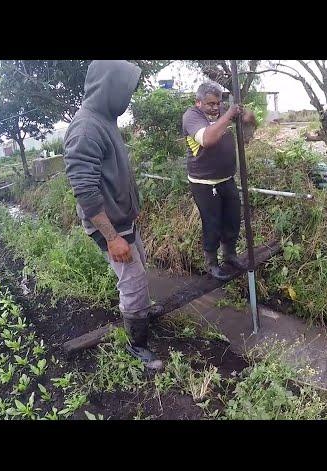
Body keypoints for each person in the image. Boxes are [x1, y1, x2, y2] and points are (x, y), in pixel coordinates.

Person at [63, 60, 164, 370]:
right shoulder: (85, 128)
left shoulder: (104, 119)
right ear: (108, 88)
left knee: (140, 270)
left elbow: (111, 174)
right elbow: (86, 193)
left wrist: (132, 207)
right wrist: (112, 238)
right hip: (109, 227)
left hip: (122, 219)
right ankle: (138, 345)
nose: (128, 98)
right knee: (132, 281)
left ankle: (141, 313)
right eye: (125, 90)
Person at [181, 81, 256, 280]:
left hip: (227, 178)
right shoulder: (192, 116)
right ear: (198, 102)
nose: (215, 108)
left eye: (218, 103)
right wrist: (228, 115)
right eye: (210, 104)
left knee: (232, 218)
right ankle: (211, 263)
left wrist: (247, 117)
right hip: (204, 183)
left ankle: (230, 255)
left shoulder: (222, 110)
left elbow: (247, 119)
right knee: (212, 223)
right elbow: (207, 139)